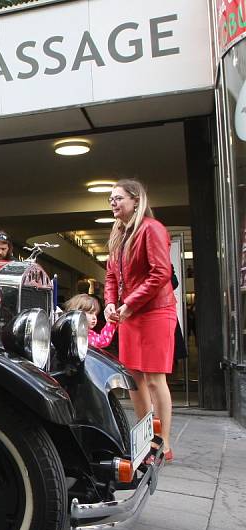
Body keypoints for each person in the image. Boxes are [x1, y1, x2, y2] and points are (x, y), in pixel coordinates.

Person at [103, 179, 176, 462]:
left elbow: (161, 274)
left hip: (155, 312)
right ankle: (146, 438)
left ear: (136, 200)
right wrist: (110, 303)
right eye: (111, 199)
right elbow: (111, 276)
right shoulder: (119, 234)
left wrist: (128, 303)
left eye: (118, 198)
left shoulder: (152, 229)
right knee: (134, 378)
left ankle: (164, 442)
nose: (113, 203)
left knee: (155, 379)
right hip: (131, 313)